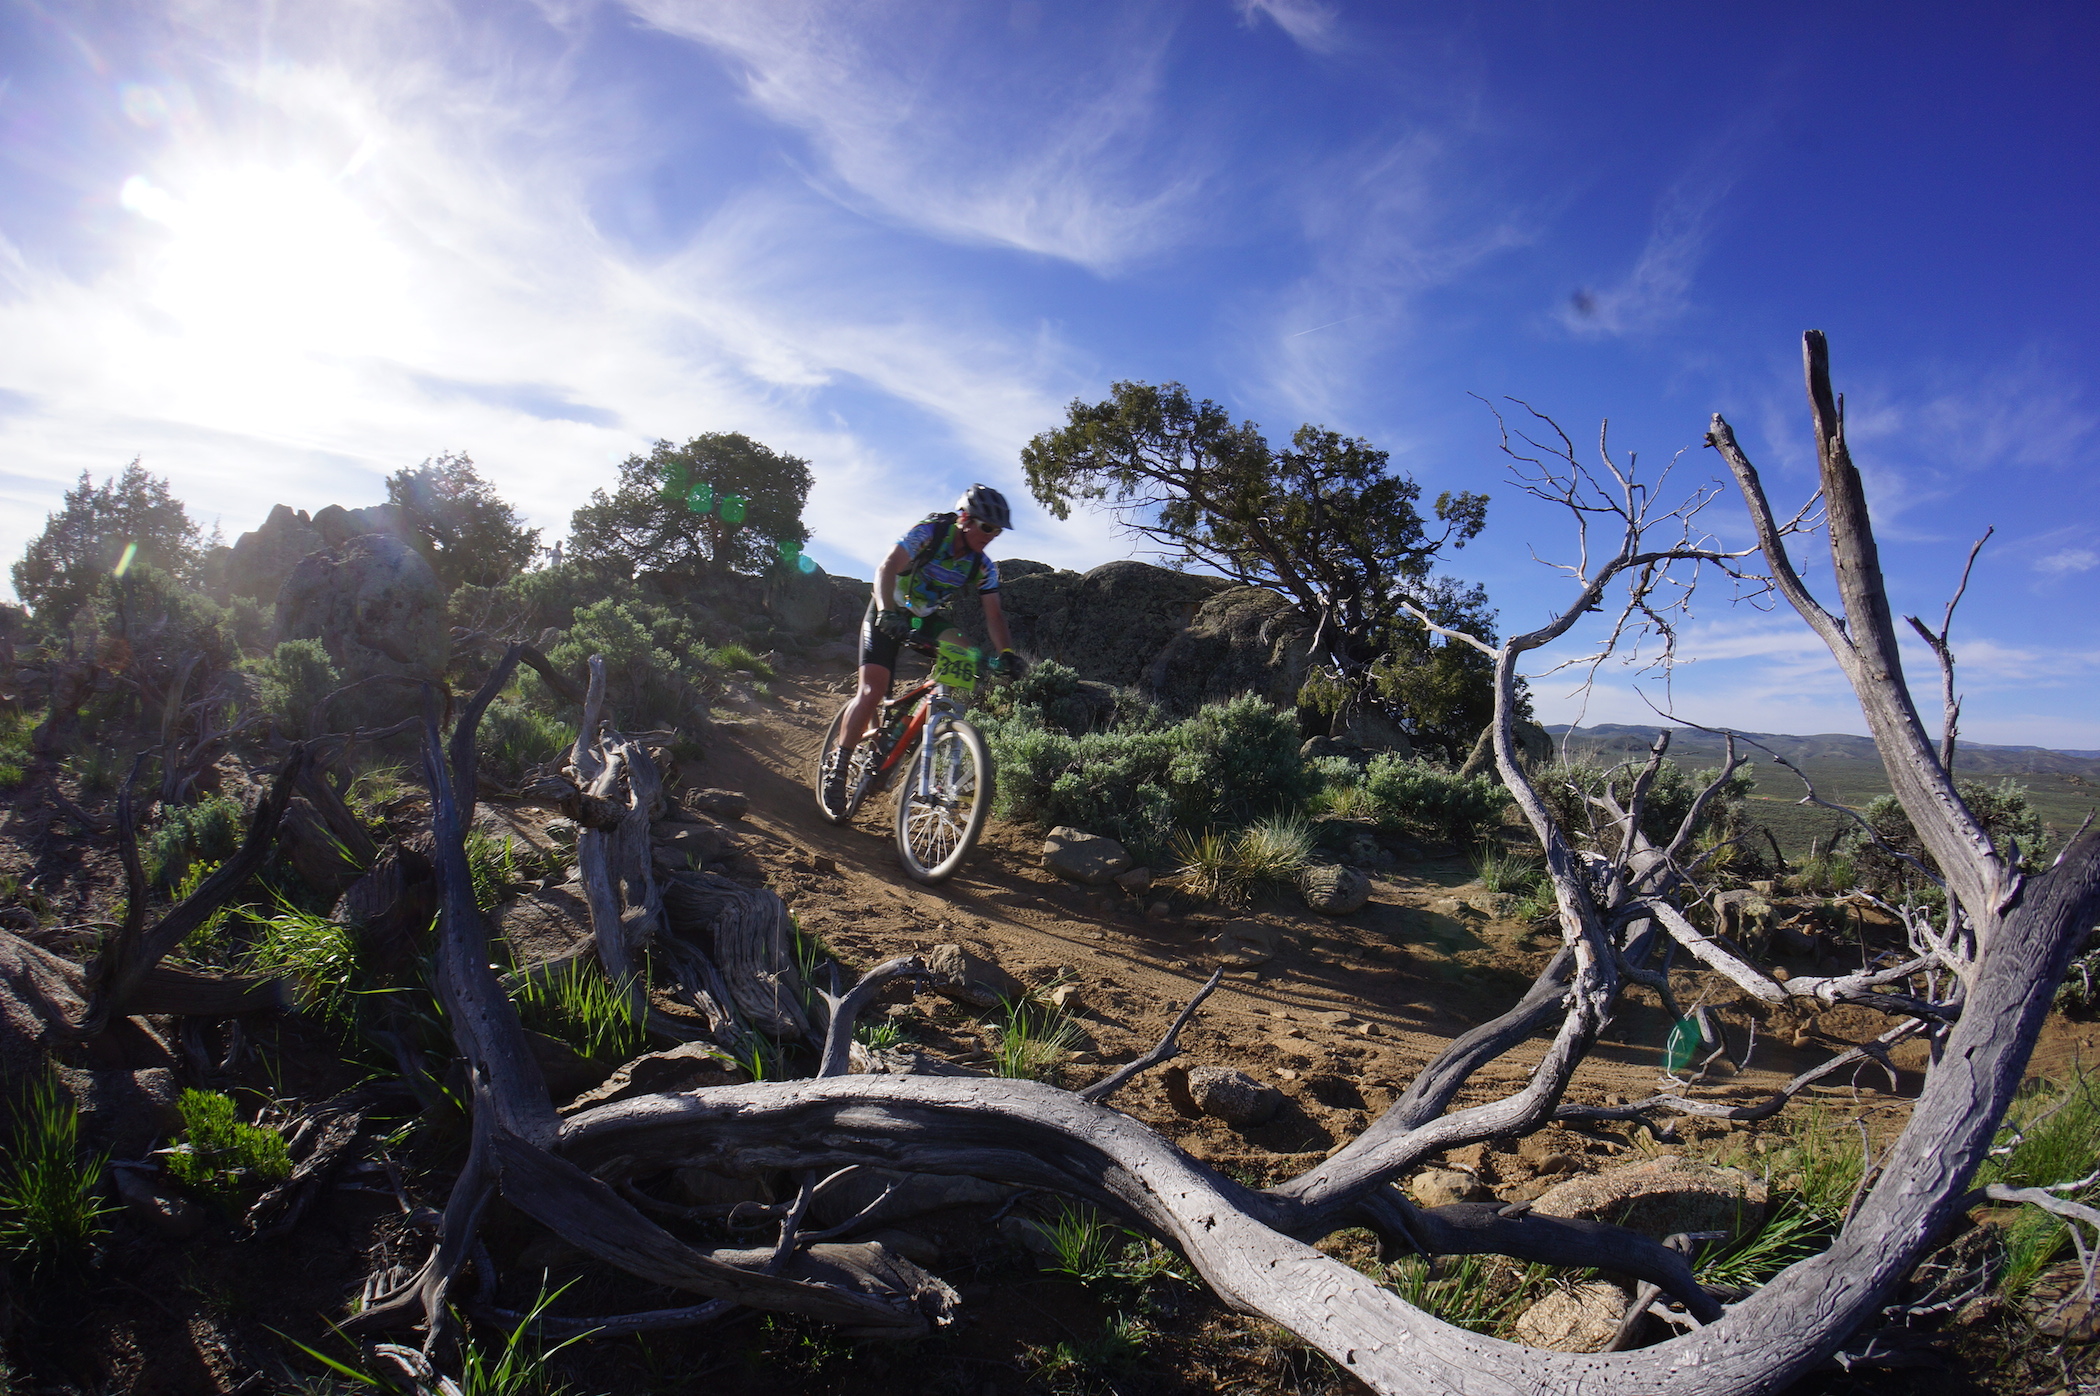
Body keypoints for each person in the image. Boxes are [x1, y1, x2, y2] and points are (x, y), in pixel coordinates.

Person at [826, 485, 1025, 808]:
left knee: (966, 652)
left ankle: (928, 728)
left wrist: (1006, 655)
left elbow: (995, 614)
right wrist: (888, 612)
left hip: (923, 617)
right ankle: (839, 767)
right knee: (871, 691)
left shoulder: (983, 567)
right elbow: (886, 567)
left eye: (997, 530)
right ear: (965, 519)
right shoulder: (930, 533)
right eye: (987, 526)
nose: (991, 535)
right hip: (887, 608)